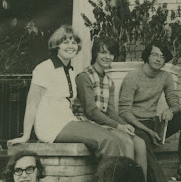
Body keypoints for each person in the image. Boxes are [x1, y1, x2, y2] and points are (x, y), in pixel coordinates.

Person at [8, 25, 123, 161]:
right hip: (52, 126)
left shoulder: (69, 71)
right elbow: (32, 104)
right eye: (65, 42)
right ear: (56, 45)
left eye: (74, 42)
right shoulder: (45, 68)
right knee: (107, 141)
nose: (71, 46)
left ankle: (109, 179)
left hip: (68, 121)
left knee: (114, 138)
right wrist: (25, 135)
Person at [118, 42, 181, 182]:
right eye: (155, 54)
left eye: (162, 57)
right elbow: (124, 112)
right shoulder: (132, 76)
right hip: (135, 124)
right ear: (147, 56)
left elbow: (175, 102)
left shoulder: (166, 76)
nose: (159, 59)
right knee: (142, 143)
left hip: (153, 122)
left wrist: (171, 110)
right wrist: (146, 130)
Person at [74, 36, 149, 182]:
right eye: (103, 52)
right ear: (95, 53)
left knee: (140, 143)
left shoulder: (109, 81)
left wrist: (125, 125)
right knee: (127, 142)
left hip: (104, 123)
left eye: (111, 54)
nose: (107, 57)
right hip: (88, 123)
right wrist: (118, 127)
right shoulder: (84, 77)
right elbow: (91, 111)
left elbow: (111, 111)